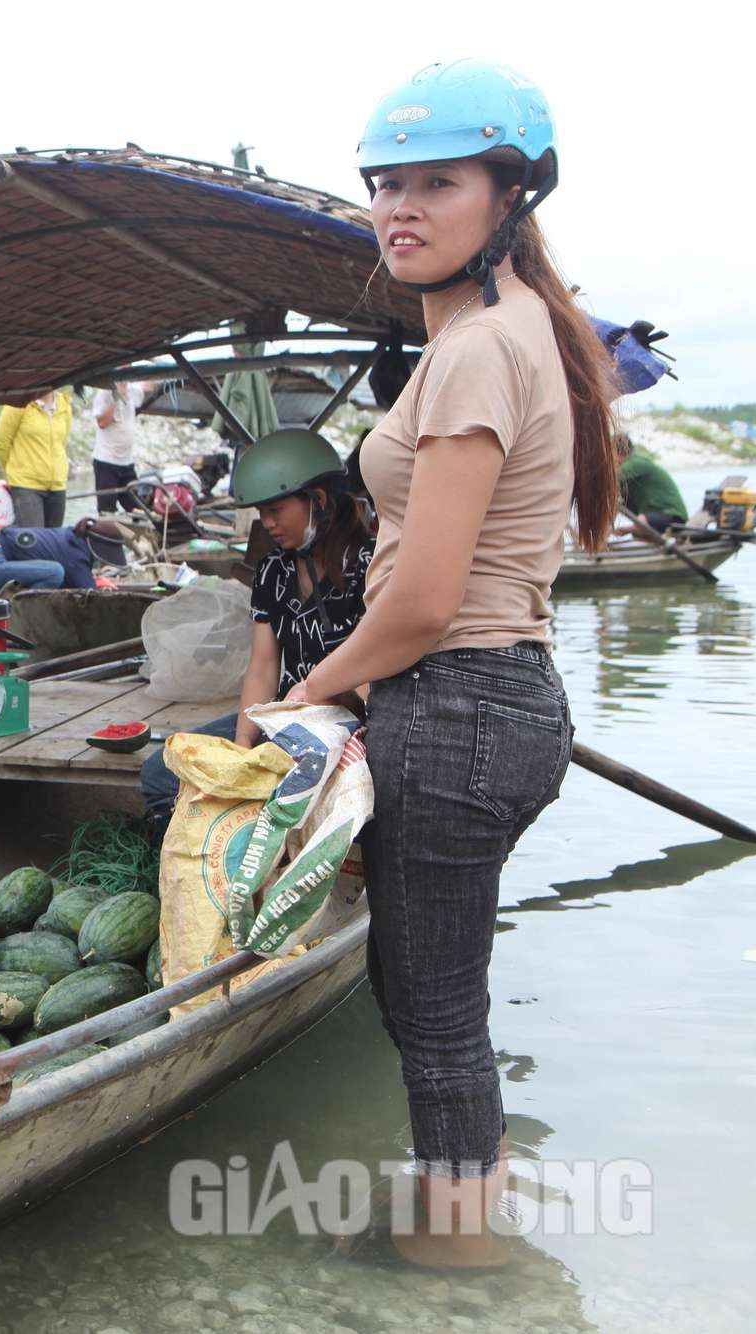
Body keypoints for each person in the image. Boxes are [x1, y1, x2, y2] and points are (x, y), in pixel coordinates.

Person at [295, 60, 616, 1265]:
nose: (400, 209)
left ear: (510, 198)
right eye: (385, 185)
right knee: (435, 1001)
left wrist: (305, 689)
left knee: (433, 1015)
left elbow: (424, 600)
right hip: (496, 702)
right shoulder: (509, 331)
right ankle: (461, 1228)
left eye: (437, 183)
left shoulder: (482, 344)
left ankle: (455, 1258)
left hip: (459, 697)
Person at [138, 430, 374, 813]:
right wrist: (243, 743)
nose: (267, 523)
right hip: (282, 719)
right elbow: (264, 665)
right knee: (161, 775)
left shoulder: (369, 565)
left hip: (352, 725)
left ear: (317, 499)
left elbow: (377, 671)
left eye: (275, 510)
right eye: (262, 512)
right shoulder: (273, 571)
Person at [0, 515, 127, 593]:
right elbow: (91, 597)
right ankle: (22, 609)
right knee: (55, 572)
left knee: (56, 574)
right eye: (104, 560)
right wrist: (100, 584)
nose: (104, 565)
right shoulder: (76, 556)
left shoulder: (71, 538)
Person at [0, 388, 73, 528]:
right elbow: (1, 444)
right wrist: (13, 474)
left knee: (53, 543)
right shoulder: (18, 402)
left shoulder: (64, 405)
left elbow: (62, 444)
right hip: (26, 485)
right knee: (34, 543)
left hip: (57, 486)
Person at [614, 434, 687, 534]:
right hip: (651, 514)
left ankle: (631, 529)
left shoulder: (638, 462)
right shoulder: (632, 464)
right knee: (615, 497)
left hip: (673, 517)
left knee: (641, 519)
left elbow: (610, 480)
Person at [92, 382, 148, 511]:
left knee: (137, 506)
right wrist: (116, 397)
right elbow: (102, 422)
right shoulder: (103, 394)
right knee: (107, 510)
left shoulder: (133, 390)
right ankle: (106, 529)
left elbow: (146, 387)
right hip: (106, 461)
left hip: (126, 462)